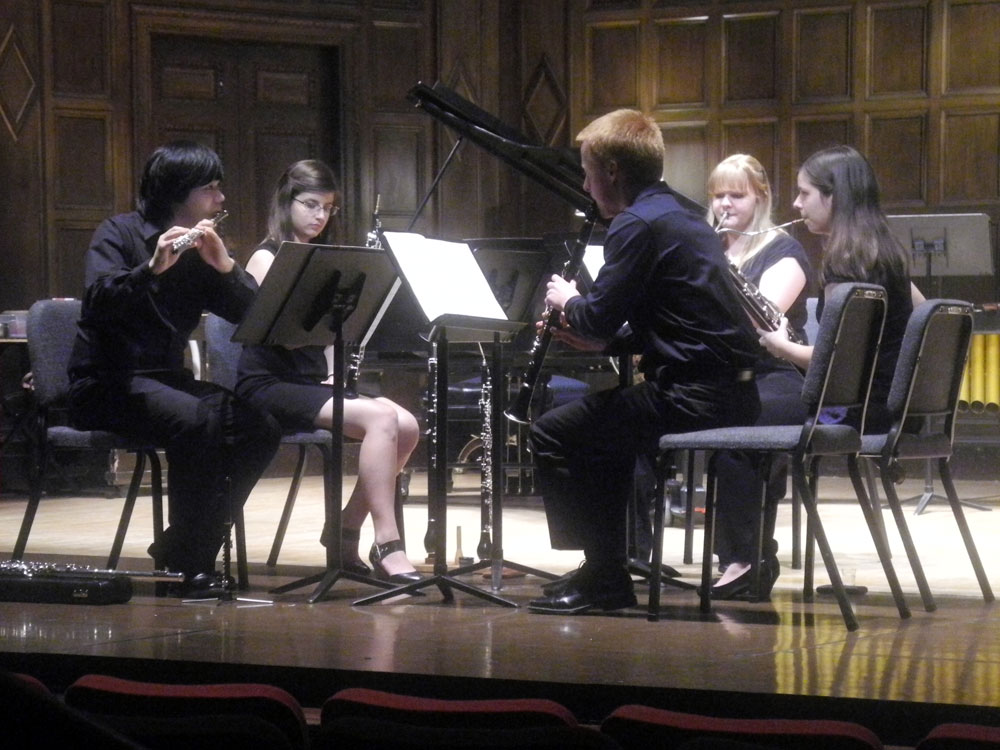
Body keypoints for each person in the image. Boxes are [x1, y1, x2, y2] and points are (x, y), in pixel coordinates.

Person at [526, 109, 762, 615]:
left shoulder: (635, 225)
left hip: (693, 397)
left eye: (589, 173)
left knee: (552, 433)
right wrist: (603, 344)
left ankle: (604, 573)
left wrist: (567, 299)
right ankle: (603, 569)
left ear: (612, 170)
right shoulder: (683, 216)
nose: (587, 187)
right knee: (602, 437)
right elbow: (675, 322)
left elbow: (596, 317)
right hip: (730, 391)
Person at [67, 140, 282, 597]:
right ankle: (192, 564)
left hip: (166, 381)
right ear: (178, 193)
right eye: (211, 188)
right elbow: (97, 304)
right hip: (105, 382)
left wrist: (225, 268)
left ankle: (183, 543)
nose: (221, 199)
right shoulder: (118, 233)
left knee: (259, 427)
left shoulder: (201, 250)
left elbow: (254, 317)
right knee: (196, 420)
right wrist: (150, 268)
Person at [235, 159, 422, 584]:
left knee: (406, 425)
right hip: (267, 384)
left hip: (307, 383)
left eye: (328, 208)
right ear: (287, 202)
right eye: (311, 205)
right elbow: (286, 336)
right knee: (381, 418)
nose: (320, 216)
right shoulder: (266, 258)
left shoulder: (327, 260)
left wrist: (337, 379)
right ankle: (387, 543)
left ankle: (342, 529)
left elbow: (336, 335)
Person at [704, 154, 813, 600]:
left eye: (736, 194)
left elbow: (757, 323)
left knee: (741, 426)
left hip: (779, 375)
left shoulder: (783, 250)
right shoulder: (708, 248)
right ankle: (628, 553)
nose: (724, 204)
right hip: (724, 373)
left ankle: (747, 558)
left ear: (760, 197)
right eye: (717, 195)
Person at [759, 145, 925, 435]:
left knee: (744, 412)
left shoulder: (845, 265)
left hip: (855, 412)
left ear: (834, 197)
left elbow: (837, 359)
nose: (797, 203)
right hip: (898, 407)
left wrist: (782, 346)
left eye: (804, 193)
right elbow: (925, 314)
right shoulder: (886, 255)